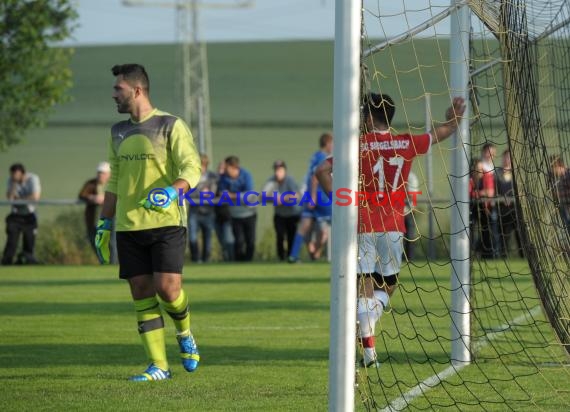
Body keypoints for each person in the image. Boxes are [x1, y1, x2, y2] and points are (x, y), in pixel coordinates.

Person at [316, 93, 465, 368]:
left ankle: (366, 328)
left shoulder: (356, 145)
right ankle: (369, 349)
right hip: (393, 226)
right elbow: (438, 134)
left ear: (369, 118)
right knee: (389, 286)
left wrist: (340, 202)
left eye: (363, 114)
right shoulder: (406, 142)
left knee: (364, 288)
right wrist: (454, 120)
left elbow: (322, 170)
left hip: (362, 224)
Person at [95, 64, 201, 381]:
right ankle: (159, 366)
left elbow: (192, 168)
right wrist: (103, 224)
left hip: (166, 223)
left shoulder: (171, 125)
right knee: (141, 291)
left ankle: (184, 333)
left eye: (119, 89)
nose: (114, 94)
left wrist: (172, 191)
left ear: (137, 90)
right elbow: (114, 182)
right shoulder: (117, 131)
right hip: (128, 227)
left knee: (167, 290)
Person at [288, 132, 333, 263]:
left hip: (309, 196)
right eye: (333, 143)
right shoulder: (323, 157)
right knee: (329, 227)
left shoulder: (314, 155)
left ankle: (294, 256)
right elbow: (315, 177)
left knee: (304, 227)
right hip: (319, 197)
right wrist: (313, 196)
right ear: (328, 143)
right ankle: (319, 253)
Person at [218, 155, 257, 261]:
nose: (225, 170)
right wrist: (237, 195)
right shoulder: (224, 178)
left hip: (249, 213)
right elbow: (222, 192)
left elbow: (249, 194)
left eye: (226, 167)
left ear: (233, 167)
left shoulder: (246, 175)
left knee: (250, 240)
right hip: (235, 214)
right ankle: (239, 262)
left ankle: (249, 261)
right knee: (238, 241)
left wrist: (233, 196)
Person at [2, 163, 41, 265]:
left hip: (29, 215)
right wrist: (14, 184)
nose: (13, 177)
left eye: (15, 175)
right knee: (12, 241)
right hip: (15, 215)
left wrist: (19, 200)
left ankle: (26, 260)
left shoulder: (33, 179)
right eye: (12, 175)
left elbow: (35, 197)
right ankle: (7, 261)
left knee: (29, 240)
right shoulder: (11, 181)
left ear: (22, 173)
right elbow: (10, 198)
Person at [262, 160, 302, 260]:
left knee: (291, 236)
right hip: (279, 214)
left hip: (292, 214)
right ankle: (281, 257)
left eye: (280, 170)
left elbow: (296, 196)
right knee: (280, 236)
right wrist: (274, 199)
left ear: (285, 170)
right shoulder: (271, 181)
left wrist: (283, 199)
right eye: (276, 170)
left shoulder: (290, 180)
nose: (277, 172)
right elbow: (263, 196)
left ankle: (291, 257)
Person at [78, 161, 117, 263]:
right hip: (94, 219)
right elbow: (82, 194)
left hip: (111, 218)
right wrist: (92, 198)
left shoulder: (114, 184)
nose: (100, 175)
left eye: (103, 173)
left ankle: (113, 264)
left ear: (109, 174)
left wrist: (105, 198)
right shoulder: (91, 183)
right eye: (99, 172)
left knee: (112, 242)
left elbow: (120, 197)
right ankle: (103, 262)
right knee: (95, 241)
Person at [188, 153, 217, 263]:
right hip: (194, 211)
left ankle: (206, 260)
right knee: (192, 237)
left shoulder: (212, 177)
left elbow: (212, 193)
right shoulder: (190, 177)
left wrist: (207, 193)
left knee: (208, 237)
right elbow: (187, 193)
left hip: (208, 212)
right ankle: (195, 259)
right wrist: (201, 193)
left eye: (203, 165)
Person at [495, 150, 523, 257]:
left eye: (509, 157)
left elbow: (520, 190)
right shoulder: (497, 173)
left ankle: (523, 256)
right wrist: (502, 198)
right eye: (505, 157)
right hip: (502, 209)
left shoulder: (517, 174)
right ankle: (503, 256)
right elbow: (494, 190)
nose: (507, 160)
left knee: (519, 234)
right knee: (504, 235)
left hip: (515, 209)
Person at [214, 160, 235, 261]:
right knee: (221, 240)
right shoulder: (214, 182)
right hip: (216, 215)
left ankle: (231, 259)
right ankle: (225, 258)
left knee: (228, 239)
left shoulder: (228, 181)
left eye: (223, 169)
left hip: (227, 215)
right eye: (220, 168)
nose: (221, 171)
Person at [403, 170, 419, 261]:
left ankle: (410, 259)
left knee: (410, 236)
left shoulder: (411, 176)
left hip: (408, 210)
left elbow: (413, 195)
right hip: (395, 211)